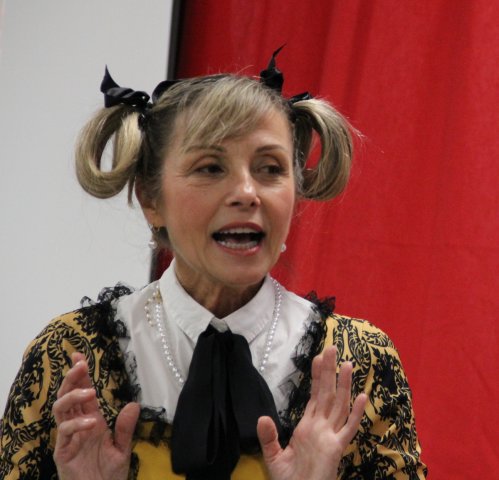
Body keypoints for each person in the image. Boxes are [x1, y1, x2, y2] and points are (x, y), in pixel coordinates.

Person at [0, 50, 427, 479]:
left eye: (270, 168)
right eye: (210, 168)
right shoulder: (72, 358)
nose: (247, 193)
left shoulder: (356, 364)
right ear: (150, 199)